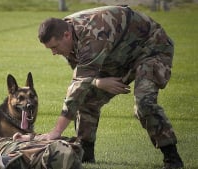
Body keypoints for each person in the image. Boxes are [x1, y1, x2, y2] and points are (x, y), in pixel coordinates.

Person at [36, 5, 184, 169]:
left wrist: (56, 132)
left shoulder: (93, 33)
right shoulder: (67, 35)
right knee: (87, 98)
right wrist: (99, 82)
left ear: (66, 35)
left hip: (152, 48)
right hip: (119, 55)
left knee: (144, 104)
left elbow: (78, 86)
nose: (54, 53)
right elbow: (81, 74)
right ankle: (85, 154)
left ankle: (172, 159)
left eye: (54, 47)